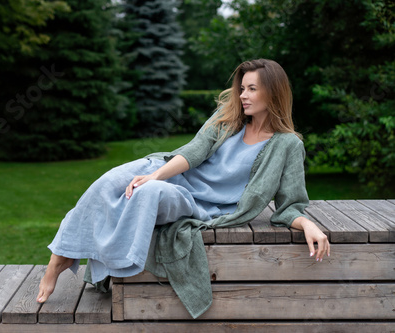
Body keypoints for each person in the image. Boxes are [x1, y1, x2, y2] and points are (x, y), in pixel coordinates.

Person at [37, 59, 331, 318]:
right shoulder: (226, 119)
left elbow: (290, 203)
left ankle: (112, 265)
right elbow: (194, 150)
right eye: (242, 88)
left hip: (196, 203)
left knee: (146, 194)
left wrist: (307, 224)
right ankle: (60, 257)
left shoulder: (288, 145)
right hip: (169, 172)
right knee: (109, 180)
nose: (243, 95)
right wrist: (157, 174)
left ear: (274, 91)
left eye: (252, 89)